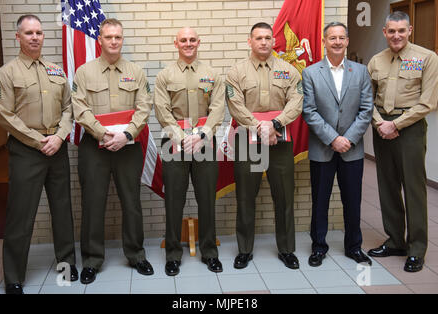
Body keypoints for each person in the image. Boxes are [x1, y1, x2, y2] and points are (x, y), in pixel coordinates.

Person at [0, 15, 78, 294]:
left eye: (39, 32)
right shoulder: (6, 73)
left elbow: (69, 108)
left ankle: (67, 264)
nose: (35, 37)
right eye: (28, 33)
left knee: (62, 211)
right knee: (21, 214)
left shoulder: (57, 71)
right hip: (26, 151)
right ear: (18, 37)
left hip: (57, 147)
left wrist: (59, 136)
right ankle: (14, 277)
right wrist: (38, 140)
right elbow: (4, 116)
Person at [72, 18, 154, 284]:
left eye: (118, 37)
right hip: (94, 148)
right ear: (100, 40)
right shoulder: (84, 72)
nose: (114, 41)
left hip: (128, 147)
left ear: (122, 39)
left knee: (132, 202)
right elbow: (79, 108)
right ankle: (92, 261)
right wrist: (103, 134)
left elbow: (144, 107)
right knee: (93, 204)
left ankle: (136, 255)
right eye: (109, 37)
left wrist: (127, 135)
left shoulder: (136, 71)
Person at [225, 22, 303, 270]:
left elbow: (297, 101)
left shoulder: (288, 70)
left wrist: (275, 124)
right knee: (246, 197)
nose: (263, 42)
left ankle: (287, 249)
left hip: (279, 142)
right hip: (248, 143)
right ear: (250, 41)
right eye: (258, 38)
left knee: (284, 197)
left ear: (273, 41)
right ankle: (245, 249)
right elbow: (235, 104)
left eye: (268, 38)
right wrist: (260, 127)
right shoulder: (236, 72)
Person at [367, 11, 438, 272]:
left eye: (401, 31)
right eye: (391, 31)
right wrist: (380, 124)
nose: (396, 36)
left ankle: (416, 248)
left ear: (409, 31)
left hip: (409, 130)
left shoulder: (427, 58)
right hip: (381, 128)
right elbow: (368, 99)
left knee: (414, 189)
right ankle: (396, 240)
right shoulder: (376, 61)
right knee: (387, 186)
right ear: (385, 32)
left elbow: (428, 102)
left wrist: (395, 125)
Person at [154, 27, 225, 276]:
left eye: (192, 40)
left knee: (207, 199)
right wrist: (183, 138)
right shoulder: (165, 75)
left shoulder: (213, 74)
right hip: (174, 143)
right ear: (176, 43)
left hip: (205, 142)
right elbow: (161, 110)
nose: (188, 43)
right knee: (174, 200)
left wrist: (202, 135)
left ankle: (210, 252)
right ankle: (172, 254)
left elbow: (217, 108)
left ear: (199, 42)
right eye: (183, 40)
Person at [302, 22, 373, 267]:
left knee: (352, 201)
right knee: (319, 201)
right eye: (332, 38)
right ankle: (318, 247)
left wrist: (348, 139)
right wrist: (333, 138)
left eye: (341, 37)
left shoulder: (361, 72)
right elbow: (309, 111)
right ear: (324, 41)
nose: (337, 42)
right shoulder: (310, 73)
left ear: (347, 41)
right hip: (323, 148)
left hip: (352, 150)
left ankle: (354, 247)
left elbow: (366, 110)